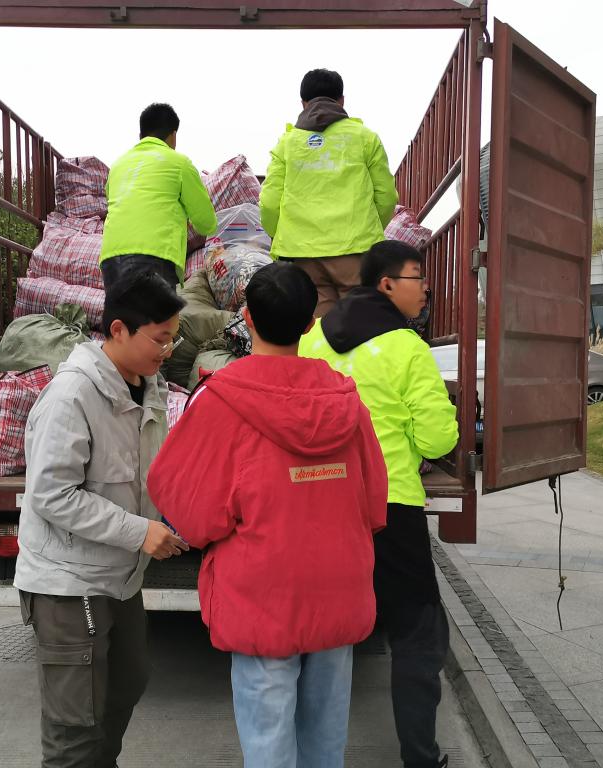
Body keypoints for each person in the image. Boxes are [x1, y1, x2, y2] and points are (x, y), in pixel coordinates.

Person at [147, 262, 388, 768]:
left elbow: (187, 507)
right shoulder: (345, 399)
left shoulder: (219, 399)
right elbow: (373, 502)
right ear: (310, 323)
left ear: (248, 318)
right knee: (327, 738)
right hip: (338, 585)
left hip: (263, 593)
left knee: (268, 741)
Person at [14, 273, 191, 768]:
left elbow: (147, 475)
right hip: (70, 582)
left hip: (119, 577)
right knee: (76, 722)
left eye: (173, 339)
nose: (168, 350)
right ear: (118, 329)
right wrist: (140, 531)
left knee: (125, 685)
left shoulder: (147, 387)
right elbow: (52, 494)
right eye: (160, 338)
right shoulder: (71, 395)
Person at [299, 240, 458, 768]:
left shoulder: (313, 339)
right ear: (387, 284)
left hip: (322, 503)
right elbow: (437, 438)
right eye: (419, 278)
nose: (426, 289)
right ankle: (420, 757)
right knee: (417, 632)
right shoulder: (406, 347)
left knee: (324, 634)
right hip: (391, 508)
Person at [259, 68, 399, 317]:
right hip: (355, 250)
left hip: (302, 253)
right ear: (341, 100)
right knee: (360, 322)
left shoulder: (287, 143)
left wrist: (280, 235)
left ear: (303, 103)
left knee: (318, 327)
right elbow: (387, 196)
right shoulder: (365, 138)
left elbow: (269, 203)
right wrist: (368, 229)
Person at [100, 102, 218, 291]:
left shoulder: (118, 165)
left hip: (111, 259)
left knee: (123, 311)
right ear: (173, 135)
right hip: (155, 257)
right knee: (156, 311)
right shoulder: (179, 163)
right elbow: (206, 223)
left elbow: (112, 201)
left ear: (140, 135)